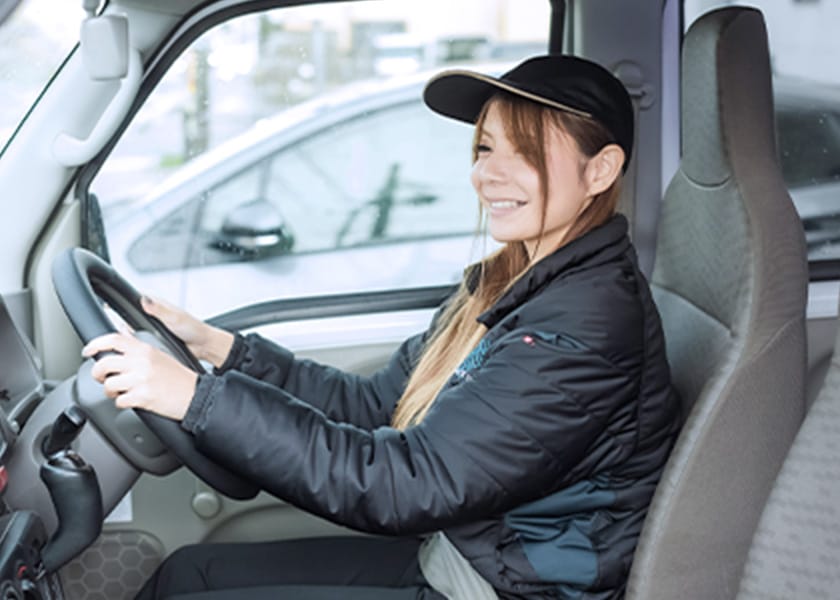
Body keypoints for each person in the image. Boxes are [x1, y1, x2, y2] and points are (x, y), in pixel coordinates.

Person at [82, 54, 681, 599]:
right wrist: (222, 351)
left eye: (523, 152)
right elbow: (376, 403)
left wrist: (195, 398)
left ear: (600, 171)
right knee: (190, 575)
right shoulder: (510, 281)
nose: (488, 175)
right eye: (484, 149)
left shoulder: (587, 322)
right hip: (464, 554)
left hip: (504, 589)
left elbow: (405, 484)